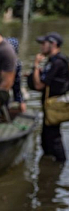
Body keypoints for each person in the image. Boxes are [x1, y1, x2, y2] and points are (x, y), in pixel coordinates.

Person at [29, 32, 68, 162]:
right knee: (46, 138)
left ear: (53, 44)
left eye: (44, 44)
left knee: (53, 138)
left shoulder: (58, 62)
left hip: (53, 106)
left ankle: (60, 167)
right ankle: (49, 169)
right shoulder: (53, 61)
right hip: (49, 105)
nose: (41, 47)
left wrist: (36, 66)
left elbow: (39, 85)